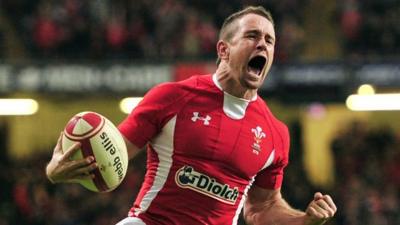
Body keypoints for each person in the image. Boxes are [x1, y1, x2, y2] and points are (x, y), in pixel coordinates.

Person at [46, 5, 337, 225]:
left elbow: (261, 208)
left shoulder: (276, 133)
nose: (263, 44)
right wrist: (56, 169)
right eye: (252, 35)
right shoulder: (172, 97)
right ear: (223, 49)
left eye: (270, 40)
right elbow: (111, 157)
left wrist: (304, 221)